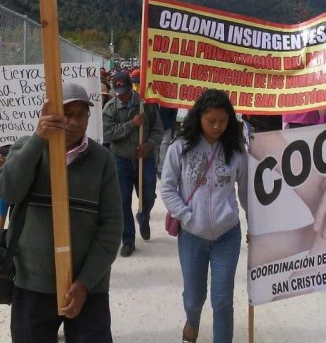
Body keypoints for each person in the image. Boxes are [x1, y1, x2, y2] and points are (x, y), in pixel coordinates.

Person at [0, 83, 123, 343]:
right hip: (32, 283)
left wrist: (85, 283)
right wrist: (37, 140)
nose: (73, 122)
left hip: (88, 288)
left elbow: (111, 228)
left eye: (80, 114)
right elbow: (6, 191)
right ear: (50, 114)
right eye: (67, 113)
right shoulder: (29, 149)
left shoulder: (102, 161)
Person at [161, 89, 248, 343]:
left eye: (223, 121)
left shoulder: (237, 151)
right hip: (191, 236)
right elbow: (167, 187)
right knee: (194, 298)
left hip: (227, 235)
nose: (217, 126)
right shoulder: (180, 147)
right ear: (198, 117)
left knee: (222, 300)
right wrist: (186, 216)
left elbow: (245, 191)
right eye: (211, 121)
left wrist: (255, 225)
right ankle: (193, 320)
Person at [102, 70, 163, 257]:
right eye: (119, 93)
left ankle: (143, 218)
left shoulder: (146, 106)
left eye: (126, 92)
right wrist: (131, 125)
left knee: (149, 196)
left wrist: (149, 145)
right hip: (121, 160)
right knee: (123, 200)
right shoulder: (110, 109)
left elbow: (158, 130)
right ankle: (128, 240)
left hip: (145, 158)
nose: (123, 96)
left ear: (131, 88)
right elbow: (109, 134)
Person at [157, 104, 179, 178]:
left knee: (164, 149)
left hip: (166, 128)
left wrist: (170, 124)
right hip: (154, 128)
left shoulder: (168, 99)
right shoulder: (152, 100)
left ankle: (162, 170)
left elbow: (174, 112)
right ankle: (156, 168)